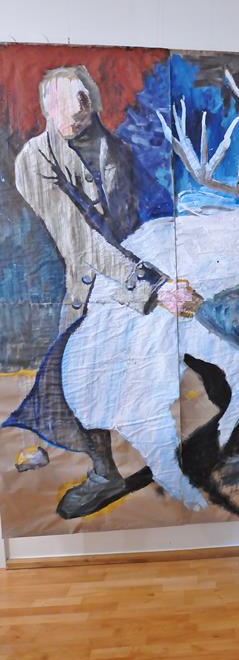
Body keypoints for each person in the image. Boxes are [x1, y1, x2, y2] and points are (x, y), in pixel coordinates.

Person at [4, 65, 201, 517]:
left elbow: (143, 218)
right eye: (68, 100)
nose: (80, 108)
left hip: (138, 276)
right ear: (48, 106)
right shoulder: (34, 160)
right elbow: (79, 240)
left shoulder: (116, 149)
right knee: (80, 382)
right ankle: (104, 472)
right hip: (91, 284)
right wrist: (152, 285)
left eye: (85, 98)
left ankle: (173, 458)